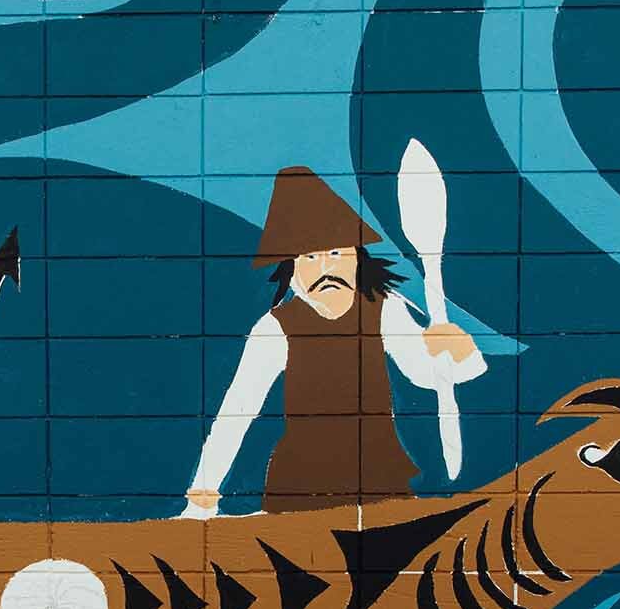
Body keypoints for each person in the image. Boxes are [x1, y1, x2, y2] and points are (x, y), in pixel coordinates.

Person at [185, 166, 485, 515]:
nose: (325, 267)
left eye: (336, 253)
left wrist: (460, 353)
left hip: (380, 483)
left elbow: (426, 374)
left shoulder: (384, 310)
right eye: (311, 257)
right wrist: (203, 491)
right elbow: (238, 410)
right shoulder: (275, 329)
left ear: (357, 256)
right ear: (291, 267)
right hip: (299, 489)